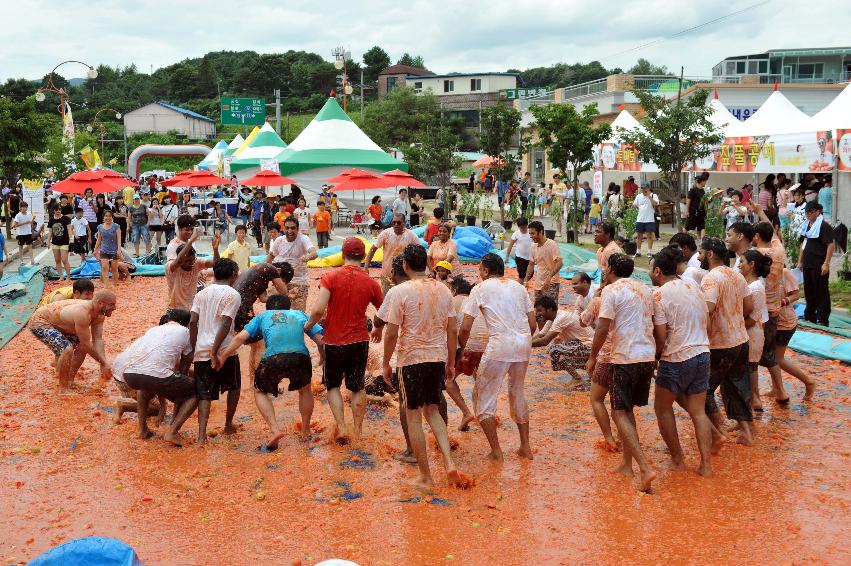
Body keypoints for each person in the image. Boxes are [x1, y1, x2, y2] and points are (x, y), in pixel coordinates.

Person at [379, 244, 466, 489]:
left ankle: (426, 476)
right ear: (426, 264)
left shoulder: (399, 291)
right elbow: (452, 330)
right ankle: (449, 463)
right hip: (437, 358)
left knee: (414, 416)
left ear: (405, 265)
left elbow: (391, 333)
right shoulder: (444, 290)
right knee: (434, 411)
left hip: (411, 360)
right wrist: (450, 362)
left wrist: (386, 363)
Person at [586, 253, 656, 492]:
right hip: (647, 355)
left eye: (605, 267)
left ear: (611, 269)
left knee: (619, 413)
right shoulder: (645, 289)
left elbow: (603, 326)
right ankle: (627, 463)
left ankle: (645, 468)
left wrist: (593, 356)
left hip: (625, 357)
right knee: (626, 411)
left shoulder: (611, 291)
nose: (603, 271)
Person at [221, 292, 323, 451]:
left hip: (273, 358)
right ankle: (305, 430)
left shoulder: (263, 316)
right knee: (305, 390)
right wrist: (322, 358)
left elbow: (240, 338)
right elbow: (320, 341)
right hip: (300, 357)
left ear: (268, 307)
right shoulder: (299, 314)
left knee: (259, 391)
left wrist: (223, 356)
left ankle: (275, 430)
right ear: (288, 306)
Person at [459, 253, 536, 462]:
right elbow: (533, 324)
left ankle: (496, 451)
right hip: (523, 343)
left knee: (483, 396)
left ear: (485, 271)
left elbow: (465, 326)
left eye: (480, 270)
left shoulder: (480, 288)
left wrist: (459, 349)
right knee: (517, 393)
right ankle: (525, 447)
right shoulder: (519, 288)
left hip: (500, 344)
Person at [305, 237, 383, 443]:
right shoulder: (370, 282)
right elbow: (384, 310)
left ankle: (341, 427)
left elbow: (318, 309)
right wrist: (378, 328)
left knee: (332, 386)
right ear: (364, 256)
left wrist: (308, 325)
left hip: (333, 342)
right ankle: (357, 430)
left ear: (342, 254)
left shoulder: (330, 277)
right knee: (357, 386)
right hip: (359, 341)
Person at [649, 246, 714, 477]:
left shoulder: (659, 294)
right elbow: (707, 323)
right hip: (702, 353)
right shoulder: (694, 286)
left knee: (662, 408)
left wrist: (655, 357)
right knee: (698, 411)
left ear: (657, 271)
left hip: (676, 357)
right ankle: (706, 464)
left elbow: (661, 335)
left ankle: (677, 459)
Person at [112, 309, 198, 445]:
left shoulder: (154, 330)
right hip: (152, 375)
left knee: (146, 389)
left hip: (128, 374)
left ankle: (142, 430)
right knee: (195, 391)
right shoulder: (187, 333)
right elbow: (182, 372)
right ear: (187, 324)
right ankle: (173, 431)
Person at [699, 237, 754, 447]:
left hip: (719, 344)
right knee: (735, 386)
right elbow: (748, 306)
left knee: (702, 389)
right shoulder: (737, 276)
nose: (700, 257)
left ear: (711, 254)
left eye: (702, 253)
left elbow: (708, 309)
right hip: (740, 339)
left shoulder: (711, 278)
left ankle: (718, 431)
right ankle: (746, 433)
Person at [189, 258, 241, 445]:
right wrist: (215, 351)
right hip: (225, 351)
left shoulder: (201, 294)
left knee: (204, 394)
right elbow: (226, 323)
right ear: (234, 275)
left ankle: (202, 436)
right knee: (233, 387)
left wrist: (195, 348)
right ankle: (228, 424)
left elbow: (192, 322)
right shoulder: (233, 294)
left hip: (201, 350)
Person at [29, 291, 117, 388]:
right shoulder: (82, 313)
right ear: (100, 303)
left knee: (81, 348)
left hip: (60, 323)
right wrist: (103, 362)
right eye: (112, 304)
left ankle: (70, 380)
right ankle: (63, 388)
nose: (114, 308)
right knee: (67, 349)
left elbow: (98, 339)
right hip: (39, 322)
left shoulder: (100, 315)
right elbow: (86, 343)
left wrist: (103, 363)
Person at [233, 260, 293, 372]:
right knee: (260, 345)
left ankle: (253, 381)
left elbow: (264, 299)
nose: (275, 284)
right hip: (241, 308)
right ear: (278, 271)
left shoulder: (260, 273)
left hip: (237, 307)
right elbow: (284, 291)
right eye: (280, 281)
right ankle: (259, 382)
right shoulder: (270, 268)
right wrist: (289, 295)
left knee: (256, 345)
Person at [774, 267, 817, 401]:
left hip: (785, 322)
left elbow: (796, 295)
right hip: (771, 322)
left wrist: (782, 302)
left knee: (777, 359)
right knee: (770, 358)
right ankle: (776, 388)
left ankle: (809, 381)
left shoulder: (784, 272)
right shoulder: (761, 272)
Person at [532, 294, 593, 385]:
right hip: (580, 344)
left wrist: (523, 345)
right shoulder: (552, 319)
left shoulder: (562, 317)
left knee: (555, 351)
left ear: (549, 309)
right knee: (554, 349)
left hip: (590, 345)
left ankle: (580, 377)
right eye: (536, 311)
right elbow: (540, 335)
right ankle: (585, 374)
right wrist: (525, 341)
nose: (537, 314)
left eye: (539, 311)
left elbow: (545, 341)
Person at [447, 276, 481, 431]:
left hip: (466, 347)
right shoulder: (476, 303)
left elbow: (451, 330)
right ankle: (484, 415)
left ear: (454, 290)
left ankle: (466, 412)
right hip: (484, 349)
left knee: (447, 380)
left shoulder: (454, 301)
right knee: (481, 382)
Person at [739, 249, 771, 412]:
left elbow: (754, 316)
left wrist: (735, 327)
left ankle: (755, 399)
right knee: (749, 367)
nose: (739, 264)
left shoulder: (756, 287)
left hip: (752, 332)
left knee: (751, 366)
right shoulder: (749, 285)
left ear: (751, 265)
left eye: (742, 261)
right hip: (750, 331)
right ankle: (753, 398)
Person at [267, 217, 317, 311]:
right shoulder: (279, 241)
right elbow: (270, 258)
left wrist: (307, 257)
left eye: (293, 228)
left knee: (298, 313)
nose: (290, 231)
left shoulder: (303, 239)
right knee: (277, 312)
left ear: (298, 229)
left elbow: (314, 253)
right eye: (287, 228)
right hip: (281, 282)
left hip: (299, 282)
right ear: (283, 229)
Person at [364, 213, 420, 294]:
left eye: (399, 222)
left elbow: (419, 251)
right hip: (387, 274)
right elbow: (373, 249)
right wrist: (366, 266)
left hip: (404, 275)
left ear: (404, 223)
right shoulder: (385, 234)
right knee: (387, 299)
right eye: (394, 222)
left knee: (403, 300)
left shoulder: (411, 235)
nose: (396, 225)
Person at [798, 201, 834, 326]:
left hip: (819, 264)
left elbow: (830, 244)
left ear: (817, 212)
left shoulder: (824, 226)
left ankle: (823, 318)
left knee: (821, 291)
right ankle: (810, 315)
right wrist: (800, 261)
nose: (807, 214)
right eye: (806, 212)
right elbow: (803, 244)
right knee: (809, 291)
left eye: (810, 212)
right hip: (808, 263)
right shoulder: (806, 226)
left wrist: (826, 263)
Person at [166, 233, 220, 311]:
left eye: (192, 259)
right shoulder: (171, 267)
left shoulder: (196, 263)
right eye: (187, 261)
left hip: (191, 308)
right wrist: (190, 242)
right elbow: (179, 260)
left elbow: (217, 264)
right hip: (174, 309)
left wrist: (215, 249)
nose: (191, 263)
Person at [524, 221, 563, 302]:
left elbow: (559, 263)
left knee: (550, 310)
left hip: (551, 283)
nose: (531, 236)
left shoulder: (552, 244)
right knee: (538, 309)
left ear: (541, 232)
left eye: (533, 233)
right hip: (538, 284)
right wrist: (526, 280)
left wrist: (549, 277)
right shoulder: (533, 246)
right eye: (530, 234)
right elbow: (531, 264)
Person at [93, 210, 123, 285]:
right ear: (103, 217)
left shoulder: (116, 226)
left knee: (114, 268)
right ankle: (106, 285)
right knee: (104, 267)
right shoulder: (100, 227)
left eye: (109, 216)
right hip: (104, 250)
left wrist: (119, 250)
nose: (108, 218)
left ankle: (115, 284)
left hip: (114, 251)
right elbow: (99, 240)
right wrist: (95, 249)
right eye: (106, 216)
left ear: (112, 217)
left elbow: (119, 239)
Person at [47, 205, 74, 282]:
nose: (58, 210)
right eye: (56, 209)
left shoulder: (66, 218)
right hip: (55, 242)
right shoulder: (51, 220)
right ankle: (61, 276)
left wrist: (71, 239)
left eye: (59, 209)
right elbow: (50, 231)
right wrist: (48, 241)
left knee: (64, 260)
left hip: (64, 242)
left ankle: (68, 277)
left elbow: (69, 229)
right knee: (57, 260)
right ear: (53, 211)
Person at [632, 183, 659, 258]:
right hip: (640, 219)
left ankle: (649, 252)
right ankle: (638, 251)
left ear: (648, 188)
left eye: (645, 188)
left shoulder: (653, 195)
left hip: (649, 219)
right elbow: (634, 205)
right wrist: (633, 205)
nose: (644, 190)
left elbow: (656, 204)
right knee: (639, 236)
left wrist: (649, 196)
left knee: (649, 236)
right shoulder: (638, 196)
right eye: (642, 188)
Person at [505, 217, 532, 281]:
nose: (523, 229)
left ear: (527, 225)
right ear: (519, 227)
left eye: (525, 227)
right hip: (519, 257)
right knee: (521, 274)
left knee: (530, 273)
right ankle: (521, 286)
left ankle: (524, 284)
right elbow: (510, 245)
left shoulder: (531, 233)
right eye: (521, 228)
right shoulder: (516, 234)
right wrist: (507, 256)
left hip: (530, 258)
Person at [685, 173, 708, 238]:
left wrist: (706, 210)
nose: (705, 183)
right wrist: (687, 210)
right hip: (693, 211)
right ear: (702, 181)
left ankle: (701, 242)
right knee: (687, 227)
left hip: (701, 212)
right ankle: (680, 239)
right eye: (705, 181)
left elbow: (704, 201)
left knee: (702, 227)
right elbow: (688, 200)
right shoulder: (693, 190)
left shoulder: (703, 190)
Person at [13, 200, 36, 266]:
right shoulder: (18, 215)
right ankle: (21, 261)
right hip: (21, 233)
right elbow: (16, 225)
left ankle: (32, 260)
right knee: (21, 247)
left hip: (28, 232)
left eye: (26, 207)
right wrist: (25, 223)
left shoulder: (29, 213)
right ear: (20, 208)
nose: (25, 208)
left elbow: (31, 222)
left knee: (30, 246)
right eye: (24, 207)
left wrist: (33, 219)